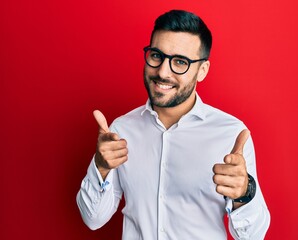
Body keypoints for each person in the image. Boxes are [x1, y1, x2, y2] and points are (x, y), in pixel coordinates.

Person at [76, 9, 270, 239]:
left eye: (180, 62)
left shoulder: (231, 135)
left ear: (202, 70)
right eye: (157, 55)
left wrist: (244, 193)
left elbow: (252, 236)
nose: (163, 72)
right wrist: (100, 168)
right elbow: (93, 219)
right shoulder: (120, 131)